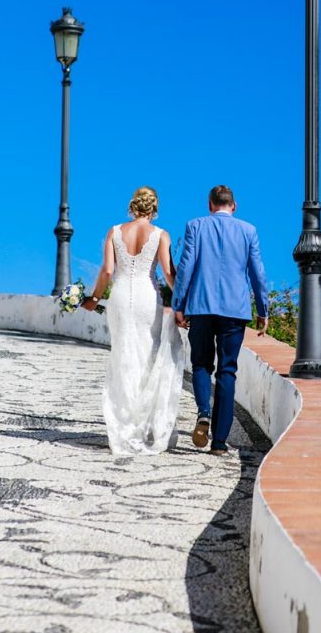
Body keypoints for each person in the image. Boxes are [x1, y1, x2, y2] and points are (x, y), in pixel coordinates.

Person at [83, 186, 184, 456]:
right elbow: (168, 272)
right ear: (153, 209)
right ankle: (146, 424)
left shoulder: (114, 232)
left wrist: (94, 297)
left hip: (119, 296)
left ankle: (125, 424)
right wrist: (184, 302)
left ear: (132, 206)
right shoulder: (161, 235)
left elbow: (107, 270)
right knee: (147, 356)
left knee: (123, 355)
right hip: (145, 297)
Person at [171, 185, 269, 456]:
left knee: (201, 364)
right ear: (234, 206)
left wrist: (178, 304)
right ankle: (219, 442)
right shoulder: (248, 231)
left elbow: (186, 267)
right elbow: (257, 274)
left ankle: (203, 412)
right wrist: (263, 310)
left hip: (200, 307)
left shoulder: (195, 226)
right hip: (234, 311)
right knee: (227, 371)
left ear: (209, 204)